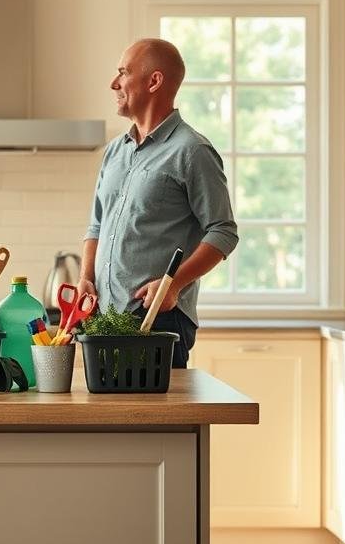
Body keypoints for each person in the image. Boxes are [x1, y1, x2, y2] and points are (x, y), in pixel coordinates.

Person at [78, 38, 238, 367]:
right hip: (104, 320)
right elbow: (97, 224)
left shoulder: (192, 151)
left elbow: (223, 231)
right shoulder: (114, 151)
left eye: (123, 72)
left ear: (154, 81)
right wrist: (85, 279)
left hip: (157, 321)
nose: (114, 83)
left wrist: (173, 285)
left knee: (154, 420)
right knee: (107, 419)